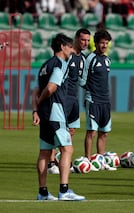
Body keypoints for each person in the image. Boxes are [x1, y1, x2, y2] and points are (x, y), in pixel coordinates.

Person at [32, 33, 85, 201]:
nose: (71, 50)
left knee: (44, 152)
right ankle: (64, 190)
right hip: (55, 111)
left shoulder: (44, 65)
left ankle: (43, 192)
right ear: (62, 47)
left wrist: (36, 110)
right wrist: (40, 103)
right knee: (67, 149)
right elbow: (50, 88)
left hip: (45, 113)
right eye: (69, 47)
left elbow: (36, 90)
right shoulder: (60, 64)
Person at [45, 28, 92, 175]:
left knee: (71, 130)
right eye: (83, 40)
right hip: (62, 98)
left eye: (87, 40)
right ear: (77, 39)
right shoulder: (67, 56)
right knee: (57, 129)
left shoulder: (84, 59)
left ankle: (63, 158)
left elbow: (82, 81)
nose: (85, 43)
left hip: (74, 98)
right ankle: (51, 162)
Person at [80, 29, 115, 170]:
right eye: (102, 43)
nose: (104, 46)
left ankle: (100, 161)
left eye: (106, 43)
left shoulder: (107, 60)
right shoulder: (90, 58)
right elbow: (81, 80)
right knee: (91, 132)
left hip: (105, 101)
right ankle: (87, 160)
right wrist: (90, 91)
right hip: (93, 100)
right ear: (96, 43)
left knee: (104, 132)